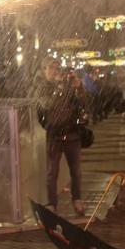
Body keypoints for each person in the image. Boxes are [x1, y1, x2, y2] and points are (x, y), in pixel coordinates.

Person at [37, 60, 87, 217]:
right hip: (54, 136)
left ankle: (77, 199)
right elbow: (46, 105)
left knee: (76, 171)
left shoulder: (69, 85)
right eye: (51, 68)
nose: (55, 71)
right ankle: (52, 204)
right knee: (52, 173)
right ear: (44, 70)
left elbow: (83, 104)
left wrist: (79, 88)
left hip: (72, 135)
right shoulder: (44, 87)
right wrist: (58, 90)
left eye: (57, 68)